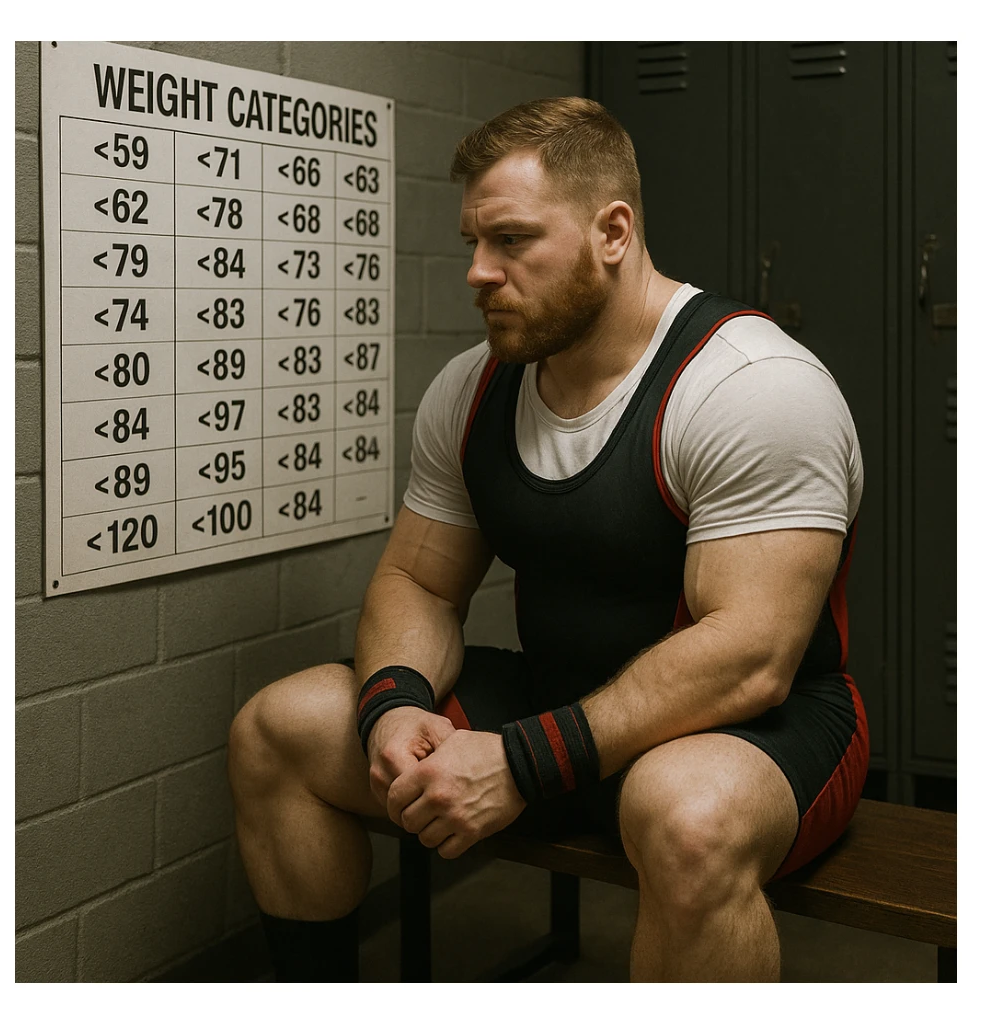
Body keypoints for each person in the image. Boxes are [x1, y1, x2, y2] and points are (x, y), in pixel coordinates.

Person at [227, 96, 868, 983]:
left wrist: (522, 764)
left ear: (613, 231)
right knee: (281, 726)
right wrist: (395, 705)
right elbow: (419, 581)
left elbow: (749, 658)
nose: (478, 274)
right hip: (557, 710)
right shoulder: (475, 388)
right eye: (472, 245)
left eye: (513, 241)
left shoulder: (751, 387)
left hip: (755, 729)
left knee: (686, 817)